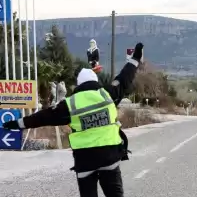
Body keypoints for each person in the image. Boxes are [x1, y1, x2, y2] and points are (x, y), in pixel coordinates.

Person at [2, 42, 145, 197]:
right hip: (109, 156)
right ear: (95, 82)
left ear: (79, 84)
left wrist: (16, 124)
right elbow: (125, 77)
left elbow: (42, 118)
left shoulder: (70, 104)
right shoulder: (108, 94)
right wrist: (135, 58)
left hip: (85, 161)